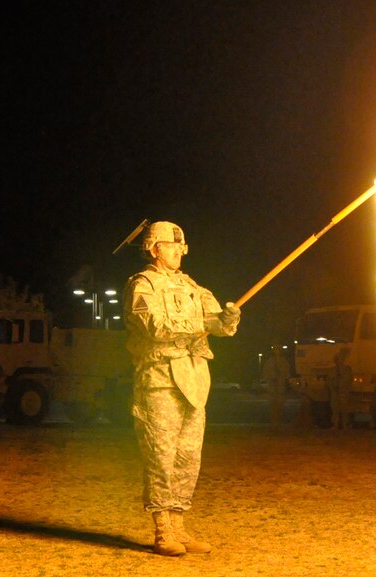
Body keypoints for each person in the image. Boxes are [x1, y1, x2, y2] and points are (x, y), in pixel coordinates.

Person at [123, 221, 240, 556]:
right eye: (171, 245)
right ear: (153, 248)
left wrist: (228, 318)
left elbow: (218, 323)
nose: (179, 251)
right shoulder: (142, 285)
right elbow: (155, 326)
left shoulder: (191, 286)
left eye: (182, 246)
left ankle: (180, 528)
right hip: (159, 379)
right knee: (161, 456)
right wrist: (202, 324)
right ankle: (162, 531)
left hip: (194, 379)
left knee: (188, 457)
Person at [261, 345, 291, 428]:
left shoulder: (283, 361)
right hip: (272, 387)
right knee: (273, 406)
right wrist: (271, 377)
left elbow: (287, 372)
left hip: (280, 387)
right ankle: (273, 423)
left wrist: (282, 376)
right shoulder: (270, 361)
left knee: (279, 406)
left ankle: (278, 423)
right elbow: (266, 372)